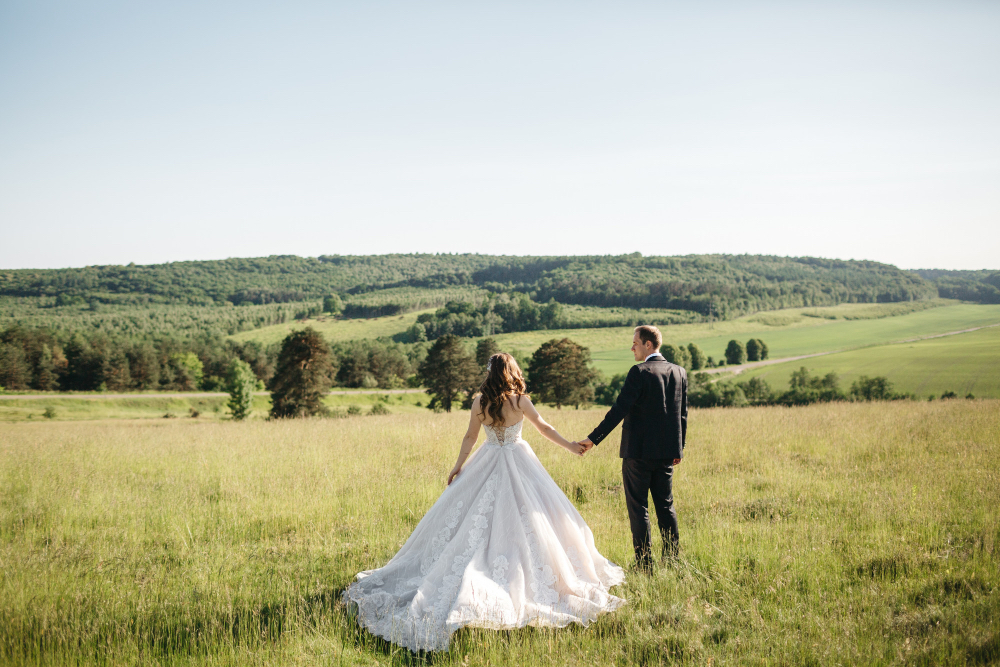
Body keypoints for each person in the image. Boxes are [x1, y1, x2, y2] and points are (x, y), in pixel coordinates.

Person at [343, 353, 625, 653]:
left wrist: (458, 466)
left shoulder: (480, 402)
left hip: (488, 458)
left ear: (490, 374)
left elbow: (469, 437)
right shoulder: (520, 402)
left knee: (476, 518)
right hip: (518, 458)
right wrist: (571, 446)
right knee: (529, 517)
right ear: (512, 372)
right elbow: (544, 428)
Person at [578, 325, 687, 572]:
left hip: (637, 452)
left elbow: (619, 410)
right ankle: (672, 561)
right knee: (666, 506)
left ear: (648, 344)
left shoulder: (639, 372)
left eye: (635, 343)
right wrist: (678, 448)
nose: (632, 347)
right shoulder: (679, 372)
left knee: (639, 508)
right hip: (667, 453)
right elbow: (682, 415)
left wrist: (593, 439)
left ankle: (644, 564)